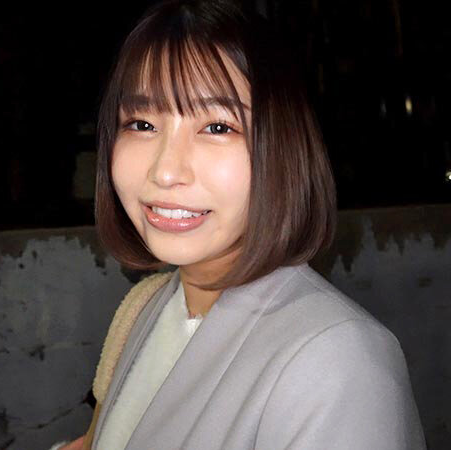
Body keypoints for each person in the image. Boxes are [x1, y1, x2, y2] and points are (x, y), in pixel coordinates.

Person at [55, 0, 426, 448]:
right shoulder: (147, 310)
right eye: (142, 123)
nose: (165, 171)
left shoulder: (335, 358)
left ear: (282, 148)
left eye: (217, 127)